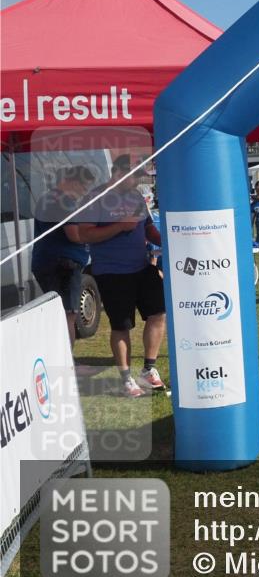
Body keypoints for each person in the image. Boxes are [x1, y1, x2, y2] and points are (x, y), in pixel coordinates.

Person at [78, 155, 166, 397]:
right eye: (135, 175)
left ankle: (148, 369)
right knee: (121, 325)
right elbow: (84, 234)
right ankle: (127, 379)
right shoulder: (95, 197)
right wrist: (119, 226)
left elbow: (147, 227)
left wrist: (166, 240)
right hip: (112, 272)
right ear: (117, 172)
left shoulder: (136, 196)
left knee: (159, 312)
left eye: (140, 175)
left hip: (141, 266)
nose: (138, 180)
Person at [31, 166, 95, 345]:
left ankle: (60, 359)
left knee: (58, 314)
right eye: (84, 187)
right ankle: (67, 364)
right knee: (68, 314)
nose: (84, 192)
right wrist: (98, 235)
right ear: (73, 182)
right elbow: (74, 235)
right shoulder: (65, 201)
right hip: (64, 265)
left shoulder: (46, 198)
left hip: (46, 261)